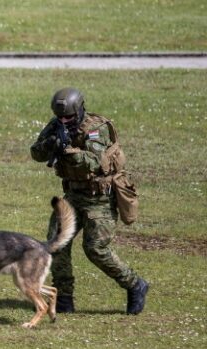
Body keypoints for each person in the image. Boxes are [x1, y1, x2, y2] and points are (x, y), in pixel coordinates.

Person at [30, 87, 149, 314]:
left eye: (69, 118)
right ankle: (64, 297)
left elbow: (96, 163)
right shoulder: (57, 125)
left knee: (96, 249)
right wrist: (50, 145)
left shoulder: (97, 129)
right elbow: (36, 153)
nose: (64, 121)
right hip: (73, 196)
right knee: (57, 243)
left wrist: (68, 151)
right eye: (60, 117)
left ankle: (135, 284)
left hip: (100, 199)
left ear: (79, 110)